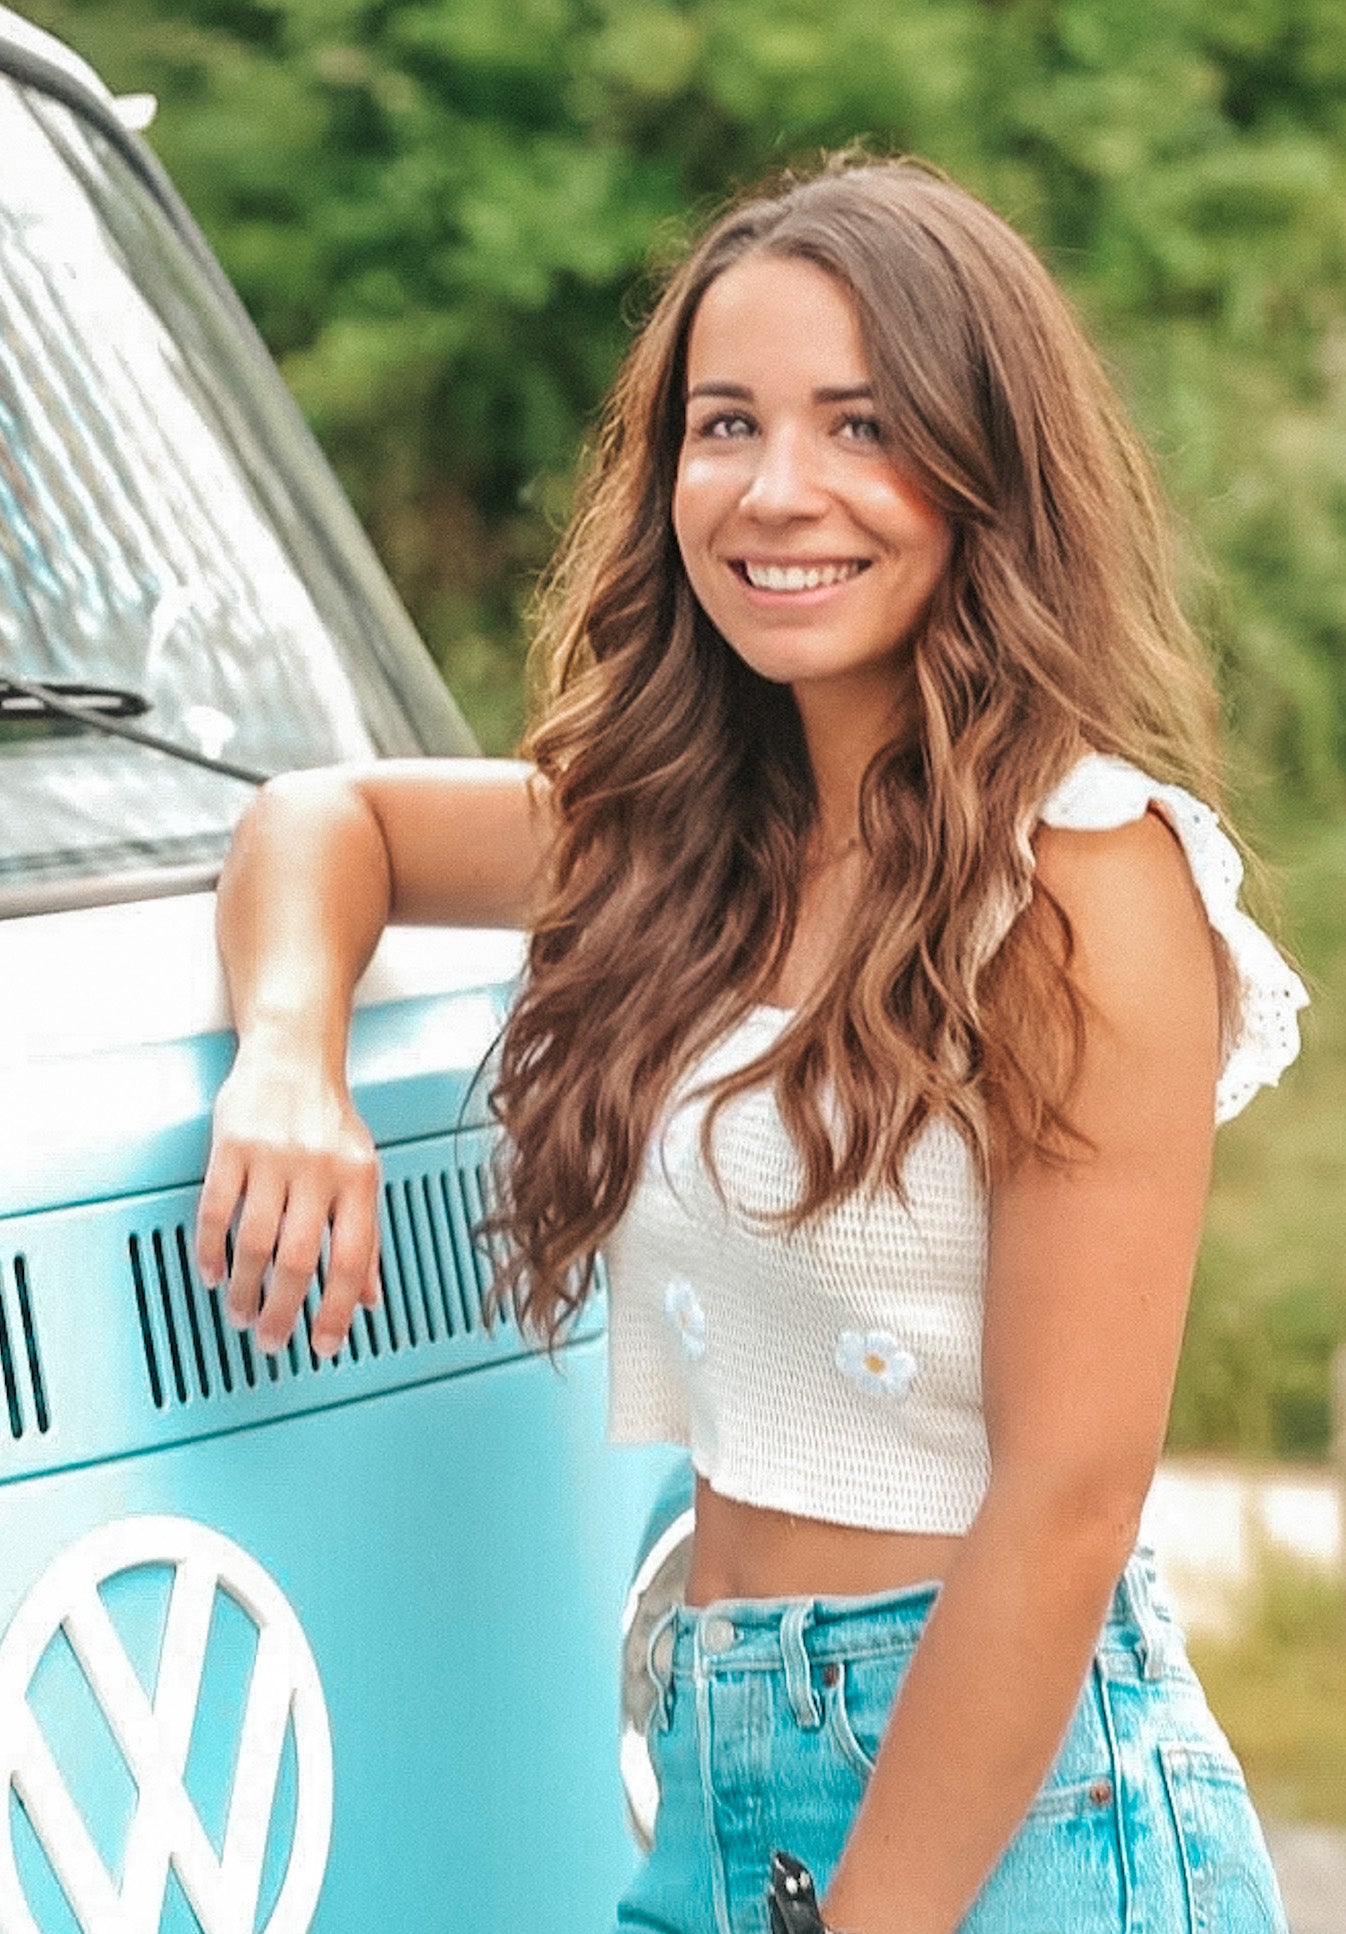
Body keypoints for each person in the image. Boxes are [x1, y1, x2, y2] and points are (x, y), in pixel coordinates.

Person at [196, 155, 1308, 1933]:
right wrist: (285, 1057)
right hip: (717, 1777)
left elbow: (1067, 1500)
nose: (776, 490)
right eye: (726, 424)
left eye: (859, 424)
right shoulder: (680, 839)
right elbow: (324, 823)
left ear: (983, 473)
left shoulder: (1083, 881)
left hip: (1013, 1821)